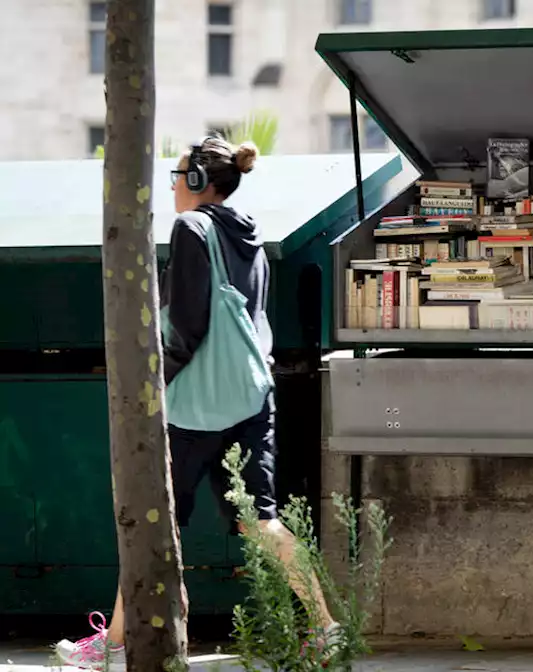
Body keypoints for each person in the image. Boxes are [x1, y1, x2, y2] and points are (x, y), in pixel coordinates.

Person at [57, 137, 342, 669]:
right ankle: (326, 628)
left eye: (177, 175)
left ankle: (112, 644)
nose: (171, 185)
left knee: (154, 519)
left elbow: (188, 323)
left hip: (193, 402)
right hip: (252, 393)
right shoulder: (249, 232)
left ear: (196, 183)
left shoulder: (191, 228)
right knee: (264, 520)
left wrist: (155, 380)